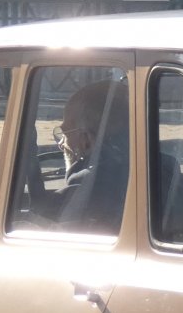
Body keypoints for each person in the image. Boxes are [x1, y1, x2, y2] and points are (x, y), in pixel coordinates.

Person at [54, 78, 130, 234]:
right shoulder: (166, 169)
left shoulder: (87, 187)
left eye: (65, 134)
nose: (61, 144)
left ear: (86, 140)